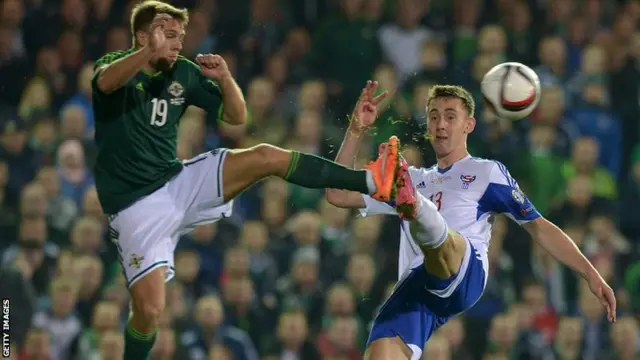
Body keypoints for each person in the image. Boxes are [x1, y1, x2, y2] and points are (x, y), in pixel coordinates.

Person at [91, 2, 399, 360]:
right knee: (150, 311)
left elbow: (236, 118)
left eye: (180, 36)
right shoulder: (112, 65)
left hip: (176, 181)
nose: (178, 44)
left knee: (266, 156)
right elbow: (106, 82)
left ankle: (368, 180)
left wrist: (224, 79)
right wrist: (147, 52)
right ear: (143, 36)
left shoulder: (183, 73)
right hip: (135, 206)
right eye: (168, 35)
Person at [326, 82, 617, 360]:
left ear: (469, 125)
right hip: (420, 289)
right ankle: (418, 213)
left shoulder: (485, 172)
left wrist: (590, 272)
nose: (441, 124)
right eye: (434, 116)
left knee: (430, 226)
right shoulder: (412, 178)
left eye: (451, 117)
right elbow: (337, 194)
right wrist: (356, 130)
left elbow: (538, 226)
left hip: (465, 272)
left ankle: (420, 213)